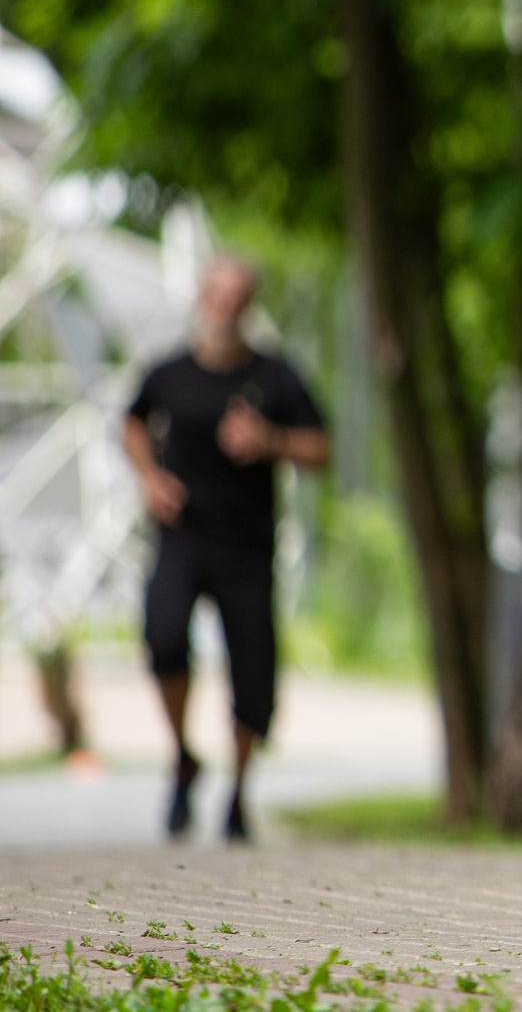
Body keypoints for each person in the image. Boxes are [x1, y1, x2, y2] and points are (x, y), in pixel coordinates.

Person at [122, 255, 331, 842]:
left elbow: (321, 449)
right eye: (216, 293)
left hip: (246, 543)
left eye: (237, 296)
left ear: (249, 304)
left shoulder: (275, 377)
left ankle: (238, 794)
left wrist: (271, 440)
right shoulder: (169, 373)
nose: (224, 305)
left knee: (254, 673)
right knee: (162, 637)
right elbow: (131, 422)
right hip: (182, 534)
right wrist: (149, 477)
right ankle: (184, 758)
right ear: (200, 298)